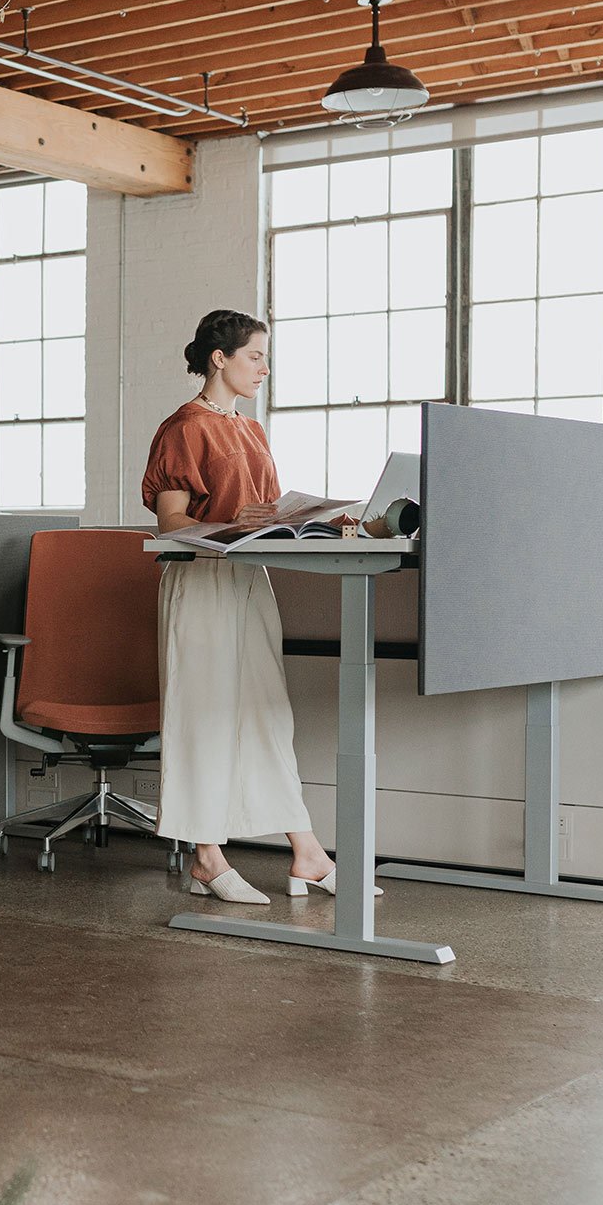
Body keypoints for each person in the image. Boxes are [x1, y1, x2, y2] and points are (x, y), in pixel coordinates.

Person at [141, 309, 379, 905]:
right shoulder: (183, 428)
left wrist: (323, 521)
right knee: (202, 714)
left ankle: (307, 853)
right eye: (255, 356)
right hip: (199, 581)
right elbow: (171, 522)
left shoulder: (251, 429)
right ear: (219, 359)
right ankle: (206, 856)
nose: (264, 369)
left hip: (250, 579)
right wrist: (229, 521)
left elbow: (265, 512)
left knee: (265, 712)